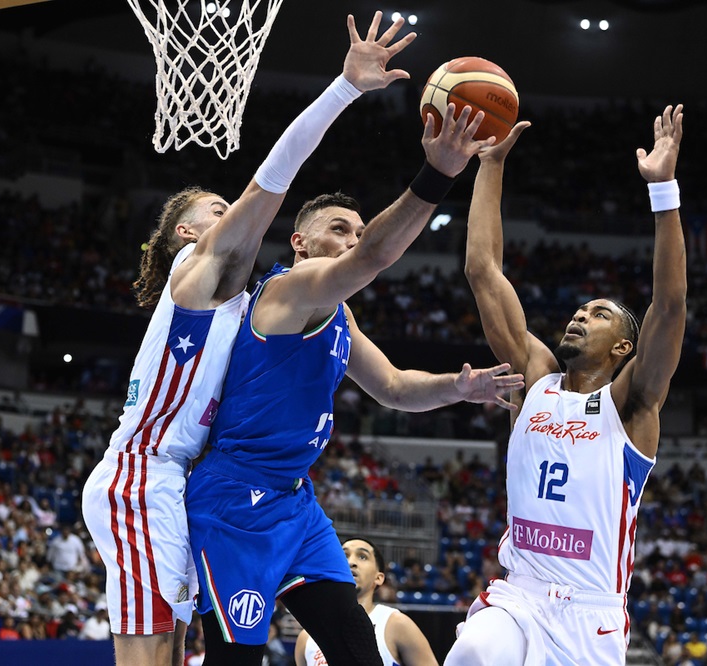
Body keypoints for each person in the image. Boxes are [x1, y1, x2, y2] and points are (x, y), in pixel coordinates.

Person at [81, 12, 419, 666]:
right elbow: (274, 175)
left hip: (185, 483)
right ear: (188, 236)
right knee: (151, 656)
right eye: (214, 210)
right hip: (141, 474)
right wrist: (344, 90)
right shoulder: (199, 275)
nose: (229, 212)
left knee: (177, 652)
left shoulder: (248, 305)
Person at [185, 100, 525, 664]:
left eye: (356, 230)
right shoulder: (291, 289)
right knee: (236, 660)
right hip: (234, 500)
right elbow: (374, 256)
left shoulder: (338, 314)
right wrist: (438, 172)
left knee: (354, 646)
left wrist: (458, 389)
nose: (351, 238)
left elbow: (392, 386)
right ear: (299, 244)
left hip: (295, 501)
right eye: (338, 230)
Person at [445, 104, 686, 666]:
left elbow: (670, 307)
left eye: (599, 314)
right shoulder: (535, 383)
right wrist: (491, 165)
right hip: (519, 595)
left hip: (590, 615)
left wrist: (664, 192)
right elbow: (483, 270)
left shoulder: (632, 406)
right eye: (580, 310)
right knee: (473, 650)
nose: (580, 315)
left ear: (624, 347)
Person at [295, 538, 437, 666]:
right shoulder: (306, 637)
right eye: (344, 556)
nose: (351, 562)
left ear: (379, 578)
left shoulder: (396, 624)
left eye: (362, 557)